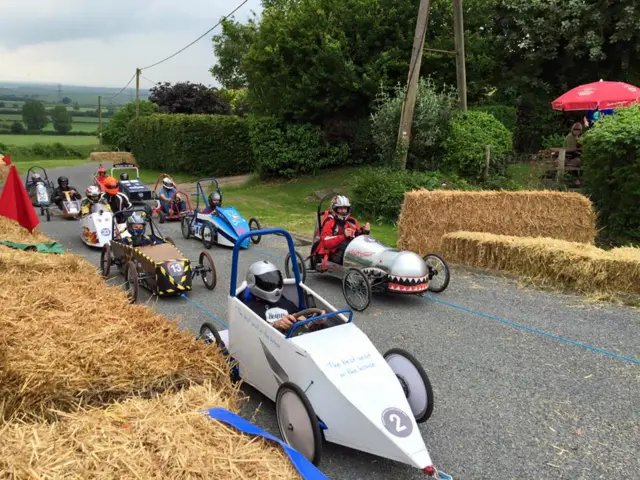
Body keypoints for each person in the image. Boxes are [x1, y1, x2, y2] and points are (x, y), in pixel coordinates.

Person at [243, 260, 325, 332]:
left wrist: (315, 321)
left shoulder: (286, 303)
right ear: (252, 282)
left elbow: (304, 321)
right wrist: (275, 325)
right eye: (268, 282)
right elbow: (251, 331)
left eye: (275, 280)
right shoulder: (248, 309)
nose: (275, 286)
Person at [315, 195, 370, 270]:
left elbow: (357, 237)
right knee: (349, 247)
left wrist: (365, 232)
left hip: (350, 250)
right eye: (340, 208)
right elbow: (325, 242)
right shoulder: (329, 222)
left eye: (345, 208)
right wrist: (343, 236)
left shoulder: (352, 221)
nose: (343, 211)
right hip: (335, 253)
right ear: (335, 209)